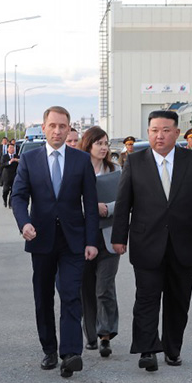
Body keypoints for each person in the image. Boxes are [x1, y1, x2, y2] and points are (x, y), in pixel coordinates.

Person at [111, 110, 192, 371]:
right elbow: (124, 202)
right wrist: (119, 237)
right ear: (148, 132)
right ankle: (147, 350)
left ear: (177, 133)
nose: (159, 136)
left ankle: (172, 348)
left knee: (178, 300)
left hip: (184, 242)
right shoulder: (135, 162)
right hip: (147, 241)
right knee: (146, 298)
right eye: (154, 131)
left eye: (165, 130)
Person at [11, 106, 99, 378]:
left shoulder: (80, 160)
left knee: (71, 294)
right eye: (53, 126)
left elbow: (91, 204)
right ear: (44, 128)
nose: (58, 131)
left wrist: (92, 240)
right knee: (43, 296)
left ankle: (70, 354)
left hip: (73, 240)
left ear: (69, 128)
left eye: (63, 126)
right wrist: (24, 223)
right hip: (41, 238)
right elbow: (18, 197)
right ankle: (49, 348)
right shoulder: (30, 159)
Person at [79, 126, 121, 357]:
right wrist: (91, 208)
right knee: (86, 288)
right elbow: (69, 200)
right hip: (84, 237)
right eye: (99, 143)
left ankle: (106, 334)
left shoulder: (116, 170)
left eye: (106, 143)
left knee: (104, 287)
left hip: (109, 236)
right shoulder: (77, 169)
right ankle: (91, 334)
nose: (104, 148)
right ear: (88, 144)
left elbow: (126, 200)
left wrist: (107, 208)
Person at [0, 142, 19, 207]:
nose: (12, 149)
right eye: (10, 148)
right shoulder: (4, 156)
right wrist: (9, 162)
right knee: (5, 190)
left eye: (13, 148)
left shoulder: (17, 156)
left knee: (13, 190)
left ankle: (10, 203)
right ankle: (5, 200)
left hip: (14, 175)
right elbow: (1, 165)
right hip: (6, 176)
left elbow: (22, 163)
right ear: (7, 149)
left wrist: (17, 160)